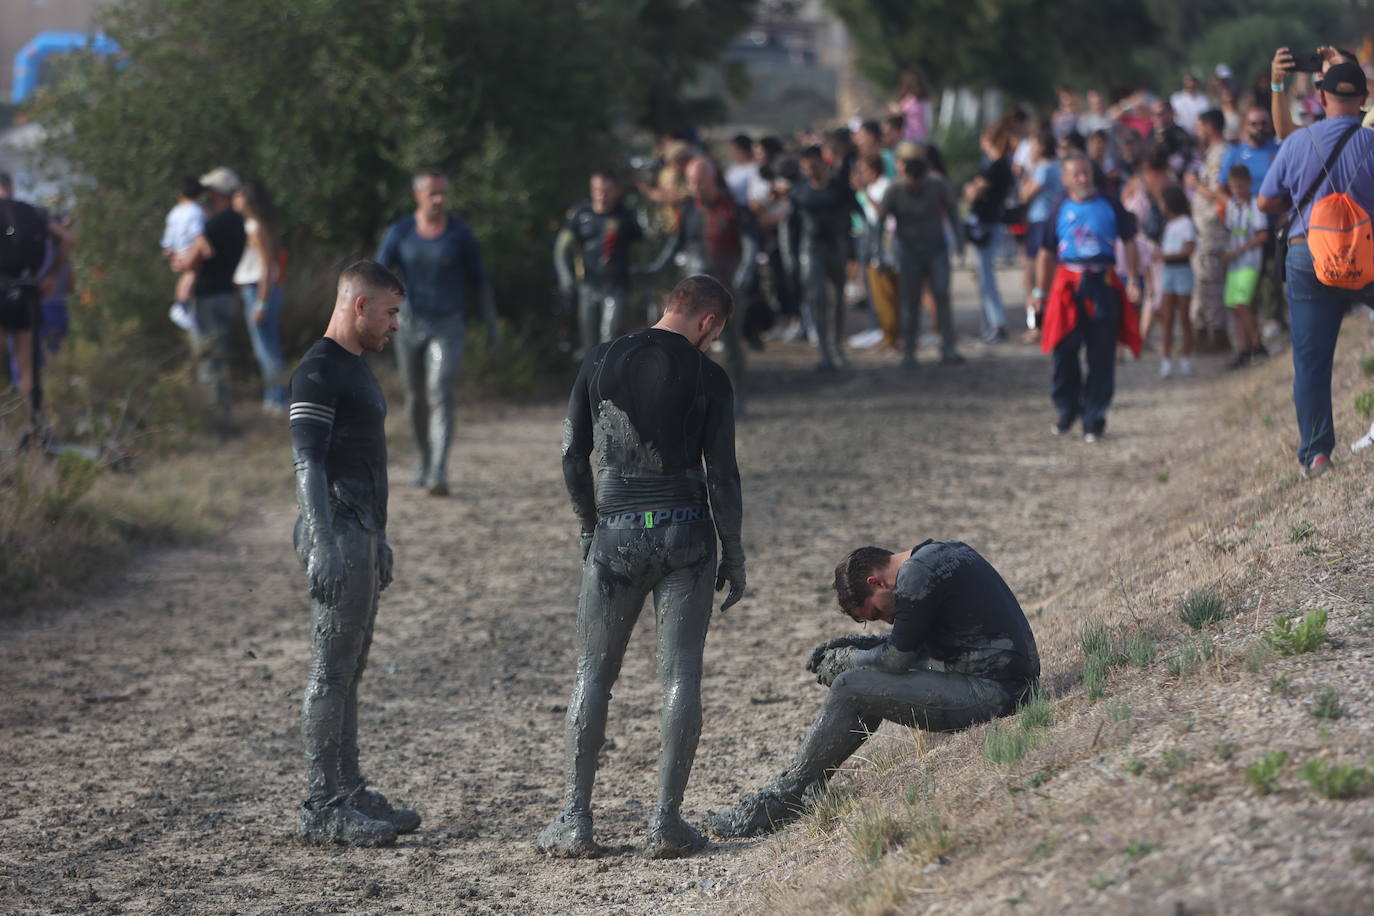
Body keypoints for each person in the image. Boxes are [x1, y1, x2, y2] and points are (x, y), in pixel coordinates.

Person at [538, 275, 746, 860]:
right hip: (687, 533)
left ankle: (575, 821)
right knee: (680, 677)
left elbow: (570, 452)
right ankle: (665, 822)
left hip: (617, 534)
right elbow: (724, 476)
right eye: (718, 332)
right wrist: (735, 552)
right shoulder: (709, 376)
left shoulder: (601, 359)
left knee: (593, 676)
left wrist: (588, 524)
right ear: (709, 321)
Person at [708, 539, 1039, 838]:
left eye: (878, 612)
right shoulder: (941, 554)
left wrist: (850, 658)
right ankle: (810, 785)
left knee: (851, 686)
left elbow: (896, 659)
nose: (888, 620)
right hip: (1005, 680)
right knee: (862, 681)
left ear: (876, 582)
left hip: (997, 693)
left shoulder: (916, 575)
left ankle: (783, 797)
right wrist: (856, 646)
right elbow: (915, 643)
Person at [289, 260, 417, 847]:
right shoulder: (318, 370)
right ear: (359, 306)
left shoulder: (357, 369)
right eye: (390, 312)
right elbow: (308, 463)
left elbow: (362, 458)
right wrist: (321, 540)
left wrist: (380, 537)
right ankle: (321, 804)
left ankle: (348, 788)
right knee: (332, 669)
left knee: (353, 667)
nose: (396, 325)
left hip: (361, 529)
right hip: (335, 529)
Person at [1258, 61, 1374, 479]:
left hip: (1308, 255)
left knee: (1310, 360)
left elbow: (1265, 202)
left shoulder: (1297, 142)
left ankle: (1317, 453)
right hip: (1364, 257)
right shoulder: (1371, 143)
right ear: (1363, 100)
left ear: (1321, 98)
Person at [375, 168, 498, 497]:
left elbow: (480, 281)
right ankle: (425, 460)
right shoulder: (400, 233)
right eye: (433, 193)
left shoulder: (459, 235)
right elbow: (378, 275)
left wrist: (490, 324)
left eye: (443, 193)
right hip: (410, 323)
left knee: (440, 390)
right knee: (415, 396)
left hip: (448, 324)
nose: (440, 199)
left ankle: (439, 470)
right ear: (418, 195)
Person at [1031, 154, 1142, 441]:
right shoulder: (1059, 207)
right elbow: (1046, 253)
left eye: (1086, 173)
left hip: (1102, 282)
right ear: (1065, 179)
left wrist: (1131, 278)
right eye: (1076, 175)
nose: (1083, 179)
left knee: (1101, 355)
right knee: (1063, 349)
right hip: (1068, 283)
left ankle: (1094, 417)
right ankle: (1067, 408)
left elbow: (1129, 241)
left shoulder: (1110, 203)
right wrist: (1038, 292)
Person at [644, 157, 757, 407]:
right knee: (687, 343)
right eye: (692, 182)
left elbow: (750, 243)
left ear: (712, 178)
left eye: (700, 181)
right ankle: (692, 398)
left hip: (727, 283)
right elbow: (676, 243)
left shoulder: (733, 208)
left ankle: (736, 395)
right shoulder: (687, 210)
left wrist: (746, 269)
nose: (695, 187)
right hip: (696, 289)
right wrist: (658, 265)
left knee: (730, 342)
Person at [173, 167, 246, 430]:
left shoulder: (214, 224)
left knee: (208, 359)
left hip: (207, 299)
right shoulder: (238, 222)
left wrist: (179, 260)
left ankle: (217, 419)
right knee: (220, 356)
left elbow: (191, 259)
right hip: (227, 295)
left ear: (217, 193)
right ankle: (224, 411)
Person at [879, 156, 963, 368]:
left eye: (919, 180)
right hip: (909, 254)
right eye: (912, 180)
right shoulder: (894, 191)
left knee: (942, 296)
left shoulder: (937, 185)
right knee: (910, 301)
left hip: (936, 251)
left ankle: (948, 347)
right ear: (904, 175)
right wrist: (879, 251)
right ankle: (909, 350)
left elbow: (953, 212)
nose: (916, 185)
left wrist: (960, 242)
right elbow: (880, 221)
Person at [554, 171, 644, 356]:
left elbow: (640, 247)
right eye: (596, 189)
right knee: (588, 341)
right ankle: (586, 380)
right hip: (588, 285)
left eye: (606, 190)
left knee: (608, 337)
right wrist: (565, 277)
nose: (601, 195)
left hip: (616, 286)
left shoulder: (625, 216)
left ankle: (605, 381)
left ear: (616, 191)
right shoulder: (580, 214)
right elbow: (561, 249)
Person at [0, 173, 61, 433]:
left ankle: (4, 434)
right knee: (26, 366)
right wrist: (52, 274)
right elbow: (67, 239)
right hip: (27, 290)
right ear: (11, 187)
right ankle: (33, 425)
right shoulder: (33, 211)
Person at [789, 146, 853, 370]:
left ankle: (837, 345)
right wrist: (791, 257)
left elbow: (852, 217)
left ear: (823, 164)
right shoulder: (798, 192)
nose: (810, 170)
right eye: (806, 167)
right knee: (818, 298)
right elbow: (791, 227)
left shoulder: (840, 189)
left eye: (813, 165)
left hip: (836, 245)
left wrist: (852, 250)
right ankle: (824, 350)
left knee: (837, 298)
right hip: (811, 247)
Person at [233, 179, 289, 415]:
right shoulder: (253, 226)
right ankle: (274, 395)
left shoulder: (256, 228)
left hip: (259, 290)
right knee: (263, 348)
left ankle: (279, 398)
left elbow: (267, 266)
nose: (235, 199)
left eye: (238, 195)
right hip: (254, 290)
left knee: (267, 348)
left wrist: (261, 302)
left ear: (247, 199)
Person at [964, 124, 1014, 342]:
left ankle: (997, 324)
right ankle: (990, 324)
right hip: (990, 222)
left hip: (987, 224)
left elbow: (974, 192)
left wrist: (972, 189)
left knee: (987, 279)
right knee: (983, 277)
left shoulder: (995, 167)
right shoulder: (1001, 166)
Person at [1186, 110, 1231, 354]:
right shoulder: (1208, 154)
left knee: (1211, 280)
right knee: (1204, 279)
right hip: (1203, 229)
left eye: (1199, 126)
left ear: (1210, 127)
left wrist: (1195, 185)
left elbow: (1219, 194)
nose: (1197, 131)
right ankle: (1205, 332)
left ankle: (1217, 334)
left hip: (1213, 229)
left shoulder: (1220, 154)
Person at [1221, 164, 1270, 369]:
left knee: (1243, 304)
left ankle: (1257, 345)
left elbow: (1263, 235)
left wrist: (1239, 250)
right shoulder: (1232, 206)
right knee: (1234, 305)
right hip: (1235, 263)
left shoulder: (1254, 206)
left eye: (1241, 186)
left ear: (1249, 184)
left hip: (1249, 263)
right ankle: (1243, 348)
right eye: (1234, 187)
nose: (1237, 190)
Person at [853, 153, 899, 351]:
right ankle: (886, 331)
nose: (859, 174)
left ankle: (893, 334)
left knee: (888, 289)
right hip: (873, 241)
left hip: (886, 243)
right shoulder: (872, 187)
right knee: (877, 290)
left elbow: (883, 212)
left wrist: (864, 193)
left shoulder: (885, 185)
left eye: (862, 170)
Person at [1019, 128, 1061, 337]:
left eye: (1033, 145)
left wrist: (1027, 172)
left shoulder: (1043, 168)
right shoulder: (1057, 166)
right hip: (1045, 220)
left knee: (1036, 272)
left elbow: (1025, 195)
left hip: (1040, 221)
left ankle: (1037, 323)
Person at [1157, 185, 1196, 378]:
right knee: (1167, 318)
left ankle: (1186, 358)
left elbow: (1189, 249)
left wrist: (1165, 256)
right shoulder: (1169, 224)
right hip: (1169, 272)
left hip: (1181, 270)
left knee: (1183, 317)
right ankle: (1166, 360)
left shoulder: (1185, 223)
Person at [161, 175, 205, 330]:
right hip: (190, 249)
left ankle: (181, 305)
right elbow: (198, 233)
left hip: (178, 251)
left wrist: (171, 255)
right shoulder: (196, 211)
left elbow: (168, 239)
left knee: (184, 278)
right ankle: (182, 308)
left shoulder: (174, 212)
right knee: (191, 275)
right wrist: (205, 248)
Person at [894, 70, 932, 144]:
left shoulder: (915, 100)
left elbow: (900, 111)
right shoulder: (922, 100)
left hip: (914, 137)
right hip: (917, 137)